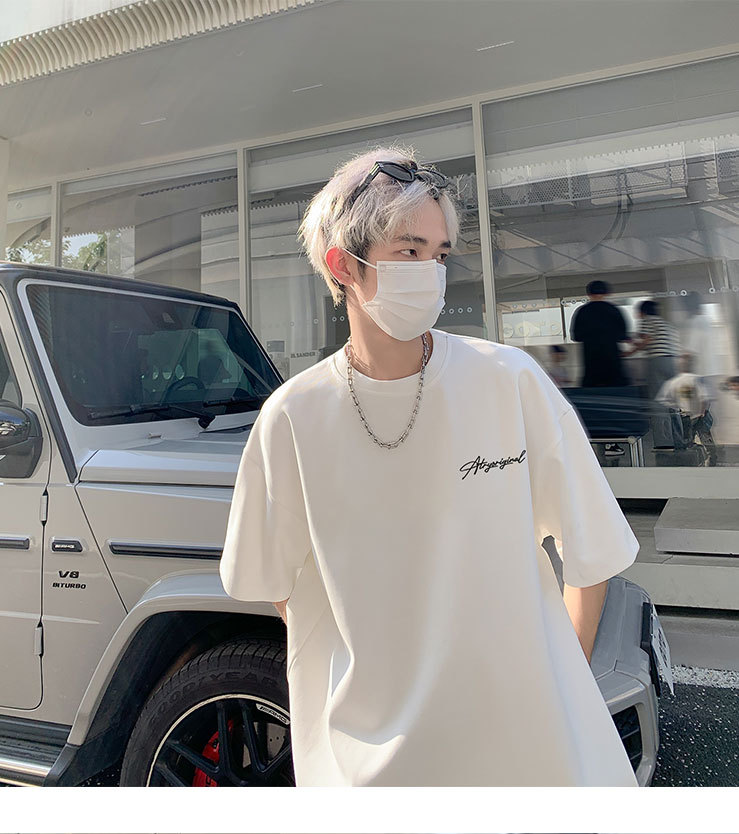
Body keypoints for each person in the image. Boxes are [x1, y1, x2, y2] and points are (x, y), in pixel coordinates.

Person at [218, 147, 640, 787]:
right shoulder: (293, 418)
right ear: (343, 265)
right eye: (409, 251)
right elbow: (279, 585)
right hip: (372, 770)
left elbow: (594, 552)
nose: (431, 273)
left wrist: (561, 688)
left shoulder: (508, 381)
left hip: (530, 756)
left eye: (439, 255)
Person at [569, 279, 630, 387]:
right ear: (606, 293)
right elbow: (622, 336)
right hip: (612, 359)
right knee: (617, 389)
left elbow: (576, 337)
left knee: (592, 391)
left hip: (591, 360)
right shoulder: (614, 310)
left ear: (589, 294)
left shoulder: (582, 311)